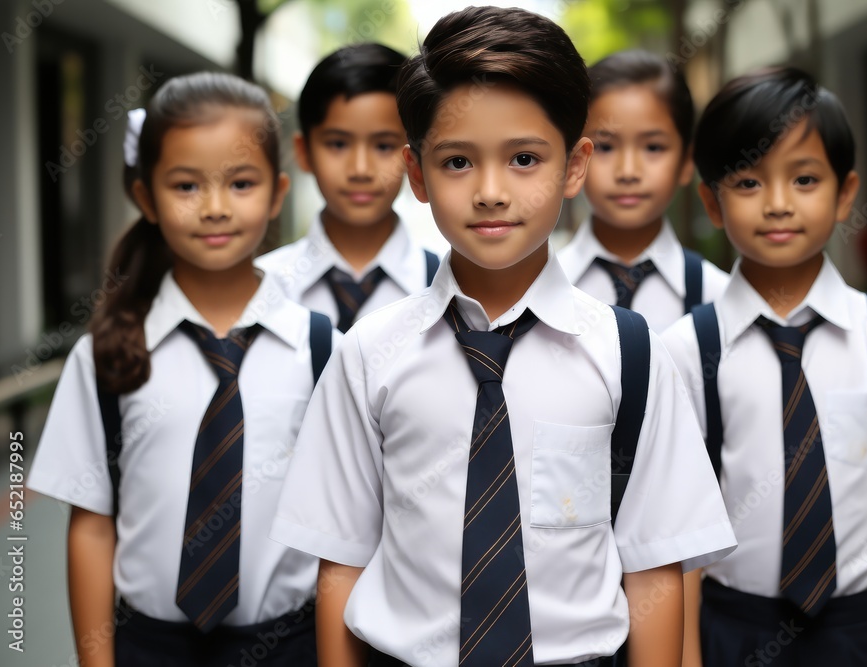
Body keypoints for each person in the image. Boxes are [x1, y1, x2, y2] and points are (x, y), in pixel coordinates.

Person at [270, 7, 737, 667]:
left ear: (576, 166)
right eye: (458, 161)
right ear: (418, 174)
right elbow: (340, 561)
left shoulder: (629, 354)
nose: (491, 191)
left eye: (524, 158)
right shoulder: (367, 353)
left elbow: (655, 566)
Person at [660, 67, 867, 667]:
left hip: (860, 628)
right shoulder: (686, 350)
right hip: (734, 628)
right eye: (749, 182)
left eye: (804, 179)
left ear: (846, 193)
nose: (778, 204)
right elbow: (681, 530)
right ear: (711, 200)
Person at [27, 72, 338, 667]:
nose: (215, 207)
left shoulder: (324, 350)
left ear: (276, 195)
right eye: (187, 185)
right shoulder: (105, 357)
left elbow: (341, 528)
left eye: (240, 183)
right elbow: (91, 527)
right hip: (150, 648)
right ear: (145, 198)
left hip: (288, 646)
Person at [257, 43, 439, 332]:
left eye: (383, 146)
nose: (361, 170)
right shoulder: (261, 286)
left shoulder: (448, 287)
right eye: (338, 144)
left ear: (414, 155)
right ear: (303, 152)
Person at [558, 49, 728, 332]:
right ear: (576, 159)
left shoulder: (720, 298)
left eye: (653, 147)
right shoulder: (540, 287)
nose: (628, 172)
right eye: (605, 146)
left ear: (687, 161)